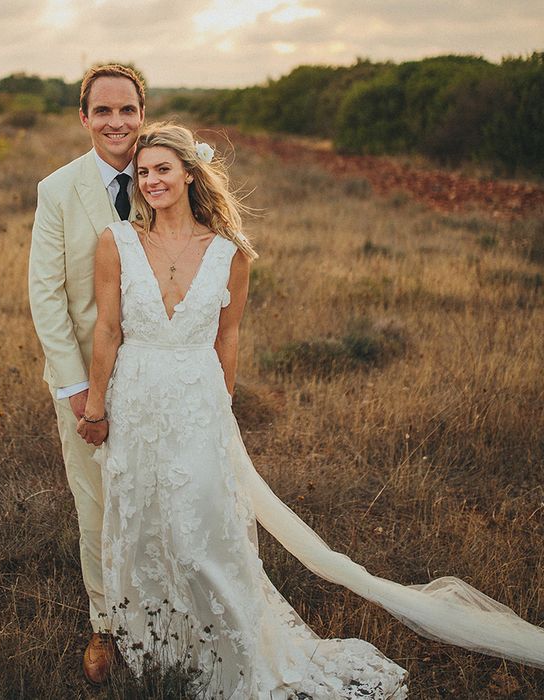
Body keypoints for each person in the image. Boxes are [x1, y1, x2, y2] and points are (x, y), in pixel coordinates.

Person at [77, 122, 544, 698]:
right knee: (143, 524)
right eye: (142, 172)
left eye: (162, 169)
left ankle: (230, 651)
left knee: (204, 532)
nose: (150, 181)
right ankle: (156, 650)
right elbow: (107, 329)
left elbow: (228, 339)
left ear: (190, 173)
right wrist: (97, 403)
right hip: (137, 398)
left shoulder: (228, 254)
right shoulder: (116, 241)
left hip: (198, 407)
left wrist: (219, 412)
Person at [27, 63, 144, 685]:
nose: (116, 122)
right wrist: (76, 389)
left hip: (154, 374)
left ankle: (167, 619)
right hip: (82, 378)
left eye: (127, 109)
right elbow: (46, 295)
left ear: (142, 114)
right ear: (84, 118)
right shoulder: (57, 189)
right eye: (103, 110)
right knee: (96, 504)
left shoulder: (167, 177)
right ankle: (106, 624)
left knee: (158, 500)